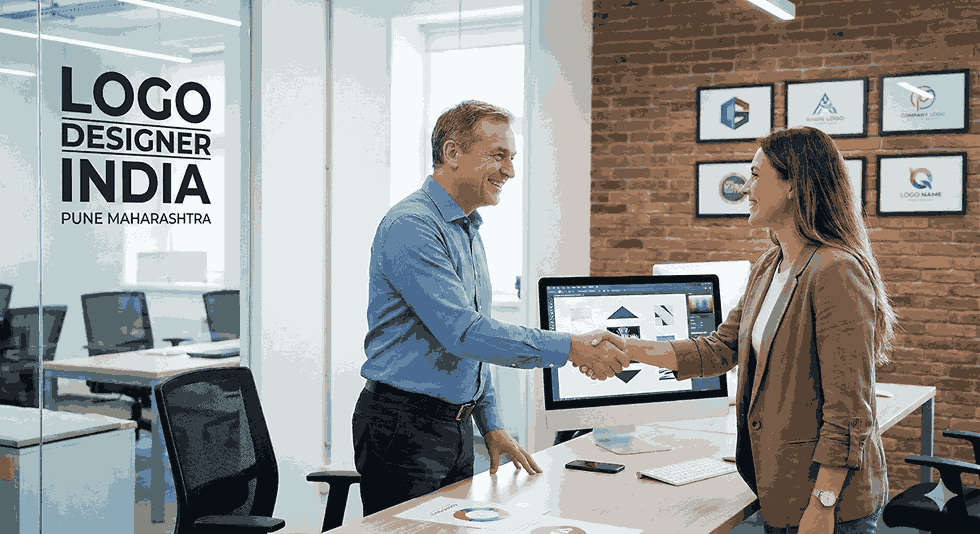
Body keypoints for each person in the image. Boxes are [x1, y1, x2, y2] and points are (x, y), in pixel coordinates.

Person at [593, 126, 896, 534]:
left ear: (793, 185)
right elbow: (719, 349)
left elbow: (849, 408)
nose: (744, 188)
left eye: (756, 175)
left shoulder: (836, 270)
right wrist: (629, 348)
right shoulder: (770, 266)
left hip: (828, 502)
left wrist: (824, 503)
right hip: (783, 488)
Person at [353, 100, 629, 516]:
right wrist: (571, 347)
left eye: (512, 158)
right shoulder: (412, 226)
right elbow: (464, 333)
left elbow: (474, 344)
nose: (510, 171)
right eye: (498, 156)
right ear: (451, 153)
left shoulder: (466, 227)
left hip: (454, 426)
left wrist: (491, 423)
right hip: (404, 426)